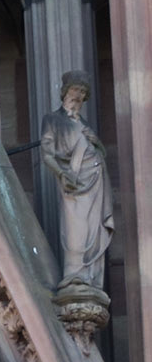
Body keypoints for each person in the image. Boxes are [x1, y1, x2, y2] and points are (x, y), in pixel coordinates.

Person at [40, 71, 114, 289]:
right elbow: (47, 154)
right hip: (72, 183)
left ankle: (91, 276)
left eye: (83, 92)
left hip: (96, 180)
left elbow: (100, 152)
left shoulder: (85, 124)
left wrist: (97, 142)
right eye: (75, 90)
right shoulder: (53, 120)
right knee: (75, 229)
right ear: (65, 92)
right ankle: (74, 274)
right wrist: (62, 174)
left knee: (94, 228)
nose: (79, 95)